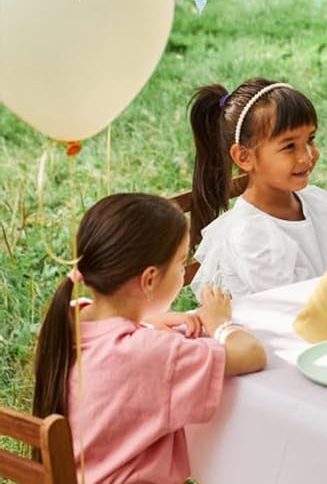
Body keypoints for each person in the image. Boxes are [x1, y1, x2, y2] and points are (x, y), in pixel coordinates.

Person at [33, 193, 265, 484]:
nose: (183, 273)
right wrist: (221, 322)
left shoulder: (67, 320)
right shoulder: (152, 354)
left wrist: (146, 320)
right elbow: (251, 354)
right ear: (149, 280)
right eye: (181, 263)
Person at [189, 78, 327, 298]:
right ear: (244, 157)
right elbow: (293, 306)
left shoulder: (317, 205)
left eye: (310, 139)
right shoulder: (251, 234)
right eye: (289, 146)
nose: (307, 156)